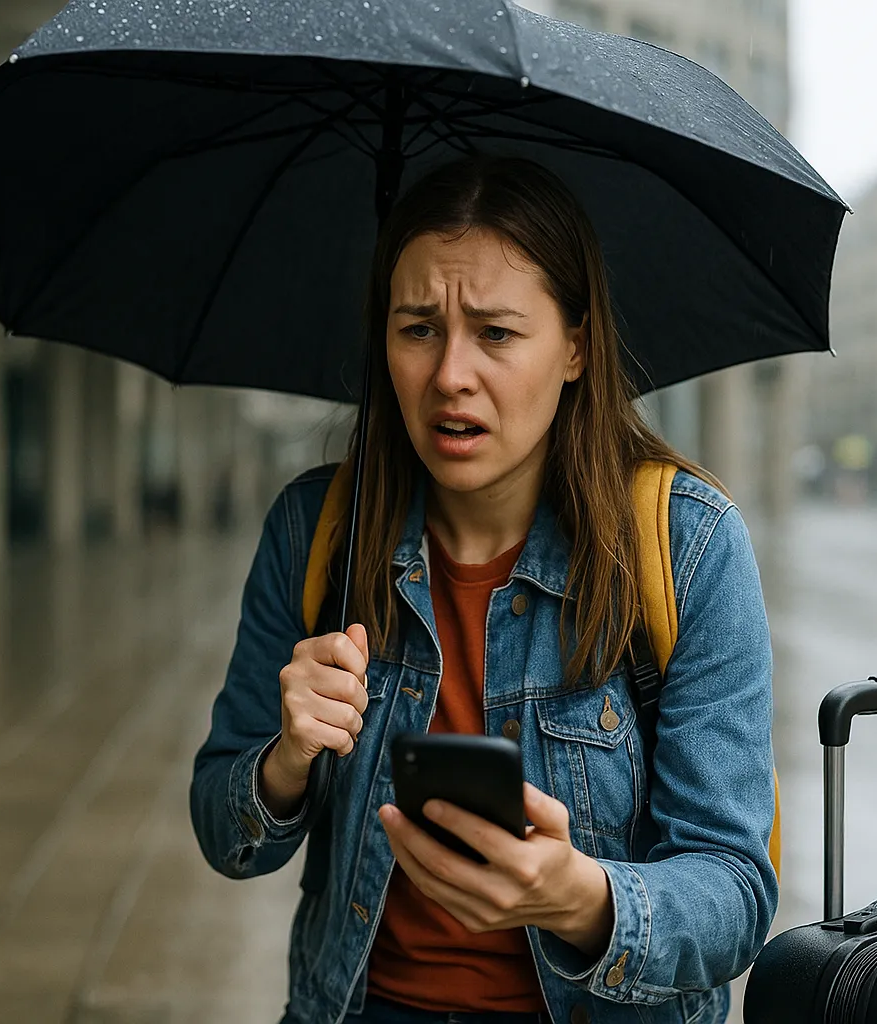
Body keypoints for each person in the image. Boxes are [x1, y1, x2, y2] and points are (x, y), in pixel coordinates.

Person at [190, 156, 777, 1024]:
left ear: (575, 347)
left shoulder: (687, 547)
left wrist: (581, 898)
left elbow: (735, 891)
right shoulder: (316, 531)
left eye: (496, 333)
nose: (450, 374)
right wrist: (285, 758)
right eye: (418, 328)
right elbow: (223, 834)